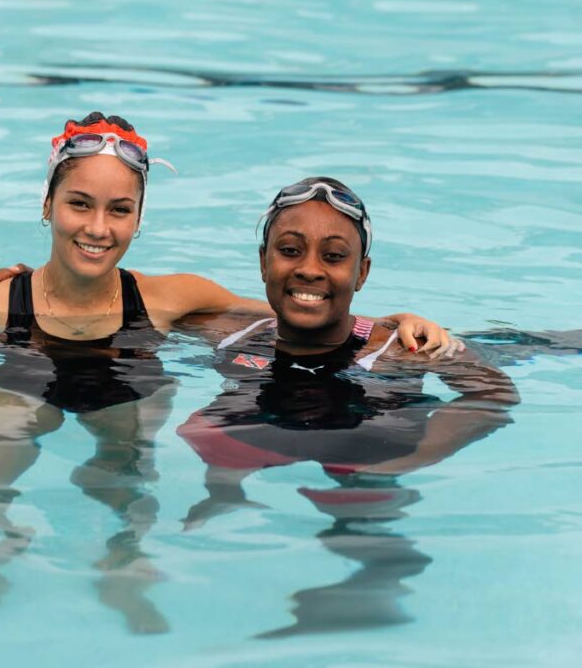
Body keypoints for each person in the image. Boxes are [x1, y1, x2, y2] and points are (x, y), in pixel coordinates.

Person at [0, 113, 461, 628]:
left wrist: (391, 322)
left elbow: (294, 309)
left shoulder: (171, 298)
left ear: (139, 219)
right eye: (79, 205)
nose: (97, 228)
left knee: (127, 464)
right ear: (47, 206)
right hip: (21, 382)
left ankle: (124, 559)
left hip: (122, 393)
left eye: (120, 210)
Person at [174, 176, 521, 532]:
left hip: (365, 454)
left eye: (334, 256)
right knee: (211, 428)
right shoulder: (231, 333)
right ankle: (223, 490)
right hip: (255, 439)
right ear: (264, 262)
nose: (309, 270)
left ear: (362, 273)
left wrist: (405, 460)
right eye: (290, 250)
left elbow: (494, 394)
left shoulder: (402, 349)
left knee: (360, 536)